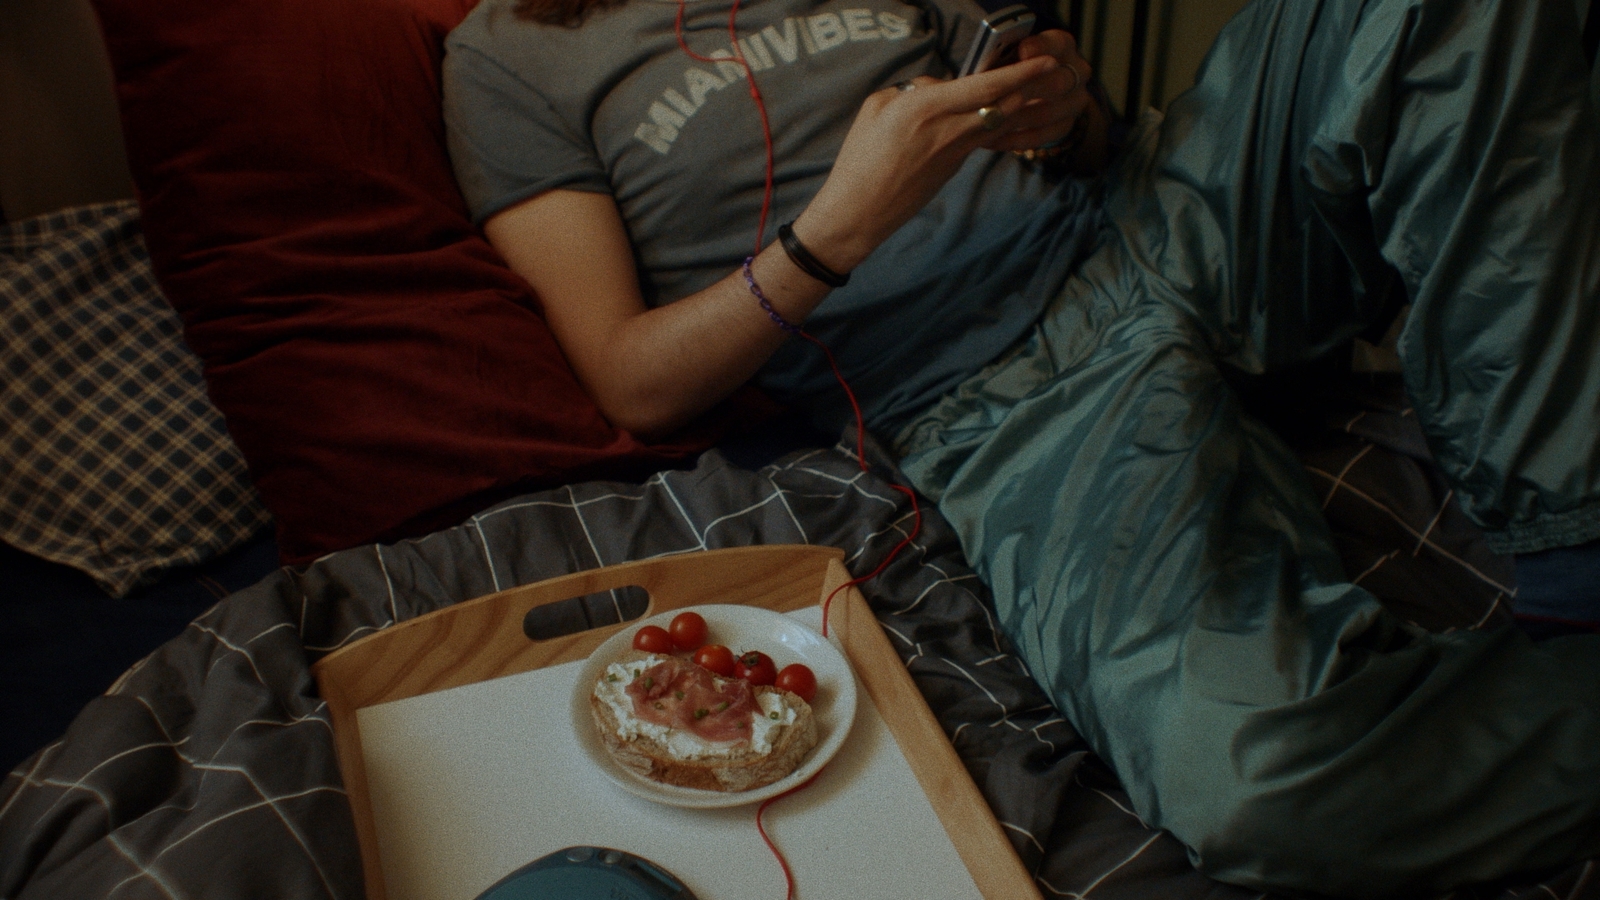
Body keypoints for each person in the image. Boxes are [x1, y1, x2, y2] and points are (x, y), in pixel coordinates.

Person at [442, 0, 1600, 894]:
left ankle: (1570, 557)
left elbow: (1079, 127)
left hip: (1160, 217)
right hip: (990, 397)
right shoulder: (506, 58)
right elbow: (633, 379)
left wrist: (1066, 114)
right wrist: (839, 227)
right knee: (1261, 785)